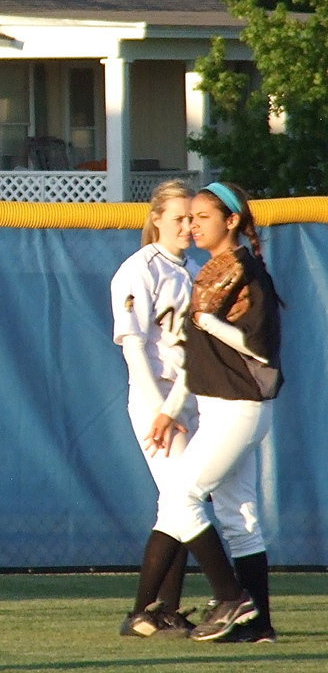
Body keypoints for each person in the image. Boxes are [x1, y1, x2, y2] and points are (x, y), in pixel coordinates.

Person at [135, 181, 283, 643]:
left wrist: (210, 323)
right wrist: (171, 408)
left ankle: (231, 598)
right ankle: (258, 624)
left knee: (180, 496)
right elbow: (196, 361)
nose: (193, 224)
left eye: (203, 216)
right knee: (239, 515)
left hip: (239, 406)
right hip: (218, 404)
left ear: (232, 221)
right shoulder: (211, 271)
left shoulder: (246, 271)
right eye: (190, 217)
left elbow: (262, 350)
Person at [111, 180, 200, 638]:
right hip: (155, 397)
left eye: (192, 218)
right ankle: (143, 611)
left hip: (189, 396)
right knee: (183, 499)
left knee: (180, 502)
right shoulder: (139, 269)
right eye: (179, 217)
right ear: (157, 219)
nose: (187, 225)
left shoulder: (194, 269)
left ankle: (159, 609)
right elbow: (134, 349)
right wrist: (160, 410)